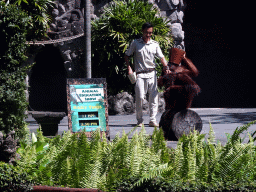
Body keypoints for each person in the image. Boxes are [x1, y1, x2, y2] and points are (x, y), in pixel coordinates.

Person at [124, 22, 171, 127]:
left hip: (152, 73)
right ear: (142, 31)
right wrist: (129, 68)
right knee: (140, 97)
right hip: (140, 74)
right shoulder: (135, 43)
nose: (148, 35)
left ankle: (152, 120)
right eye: (147, 32)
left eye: (150, 33)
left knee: (154, 98)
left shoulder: (155, 44)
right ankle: (140, 120)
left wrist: (166, 67)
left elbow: (161, 57)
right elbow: (127, 55)